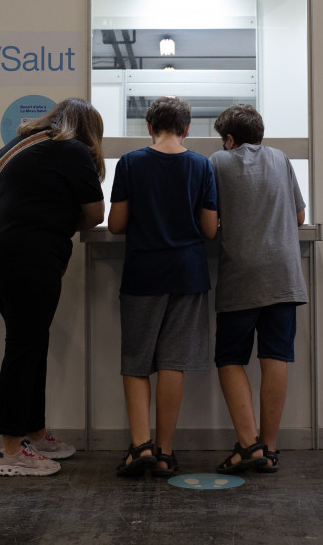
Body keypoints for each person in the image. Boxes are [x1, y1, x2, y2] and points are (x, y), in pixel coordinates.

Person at [0, 97, 106, 477]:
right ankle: (11, 451)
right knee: (24, 345)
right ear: (89, 130)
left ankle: (34, 432)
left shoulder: (18, 145)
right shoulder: (75, 151)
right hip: (28, 258)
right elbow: (96, 214)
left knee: (31, 340)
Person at [108, 96, 217, 478]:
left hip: (143, 273)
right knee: (173, 362)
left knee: (137, 362)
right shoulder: (202, 165)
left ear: (149, 127)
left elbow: (116, 224)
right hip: (188, 273)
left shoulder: (131, 162)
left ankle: (140, 448)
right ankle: (165, 453)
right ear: (187, 128)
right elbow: (208, 229)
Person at [209, 104, 307, 475]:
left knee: (230, 358)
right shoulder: (281, 159)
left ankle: (248, 445)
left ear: (230, 139)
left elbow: (208, 219)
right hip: (284, 276)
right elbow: (299, 216)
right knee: (275, 357)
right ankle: (269, 447)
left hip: (241, 276)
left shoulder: (218, 161)